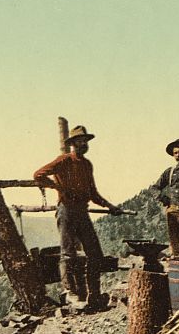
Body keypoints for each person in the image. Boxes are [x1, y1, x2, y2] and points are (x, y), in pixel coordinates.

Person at [34, 125, 122, 310]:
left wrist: (109, 206)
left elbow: (92, 193)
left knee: (95, 254)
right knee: (68, 253)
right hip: (66, 210)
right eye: (79, 141)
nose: (83, 144)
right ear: (72, 144)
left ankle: (94, 294)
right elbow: (38, 175)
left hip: (82, 211)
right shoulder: (64, 160)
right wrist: (57, 188)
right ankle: (70, 293)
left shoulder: (87, 164)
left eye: (85, 141)